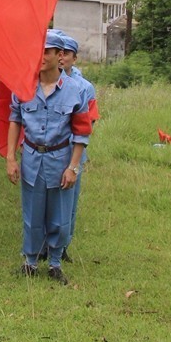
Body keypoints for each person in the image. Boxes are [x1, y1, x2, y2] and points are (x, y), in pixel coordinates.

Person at [5, 29, 93, 284]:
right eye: (36, 52)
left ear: (60, 55)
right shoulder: (23, 87)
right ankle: (30, 261)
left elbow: (81, 133)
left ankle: (55, 262)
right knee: (32, 213)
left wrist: (73, 167)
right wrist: (11, 158)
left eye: (46, 52)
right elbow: (15, 120)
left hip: (60, 158)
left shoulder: (76, 90)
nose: (40, 57)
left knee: (60, 214)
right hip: (32, 157)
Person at [56, 32, 99, 264]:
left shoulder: (84, 88)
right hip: (50, 151)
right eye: (58, 53)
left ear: (74, 58)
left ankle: (63, 244)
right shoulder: (44, 81)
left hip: (73, 151)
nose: (61, 58)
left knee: (68, 201)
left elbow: (88, 123)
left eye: (67, 54)